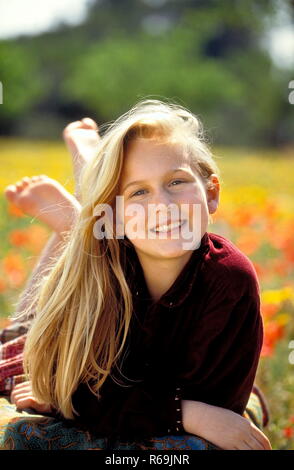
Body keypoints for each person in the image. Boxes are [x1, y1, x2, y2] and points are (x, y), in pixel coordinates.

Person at [0, 99, 271, 450]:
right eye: (139, 191)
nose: (163, 204)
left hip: (113, 243)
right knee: (34, 322)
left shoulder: (229, 280)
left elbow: (223, 403)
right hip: (54, 339)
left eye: (177, 182)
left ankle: (85, 197)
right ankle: (77, 214)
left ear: (212, 193)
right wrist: (189, 414)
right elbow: (73, 388)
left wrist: (182, 413)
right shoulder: (104, 269)